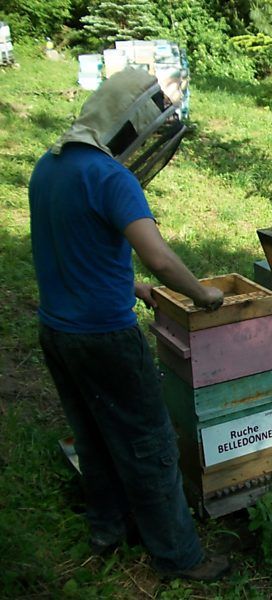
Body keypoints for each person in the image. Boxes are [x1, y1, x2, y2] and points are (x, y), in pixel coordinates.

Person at [29, 68, 229, 581]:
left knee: (92, 433)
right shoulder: (110, 178)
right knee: (149, 443)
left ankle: (107, 529)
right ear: (126, 125)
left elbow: (72, 248)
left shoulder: (48, 167)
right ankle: (179, 556)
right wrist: (203, 294)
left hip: (56, 332)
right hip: (106, 339)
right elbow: (158, 258)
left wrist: (128, 286)